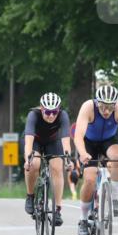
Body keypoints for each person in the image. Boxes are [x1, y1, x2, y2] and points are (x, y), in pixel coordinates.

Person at [73, 84, 118, 235]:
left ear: (115, 104)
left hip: (109, 140)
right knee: (90, 179)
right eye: (102, 107)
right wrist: (83, 153)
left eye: (110, 107)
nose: (106, 111)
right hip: (89, 143)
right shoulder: (88, 107)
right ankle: (84, 219)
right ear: (97, 102)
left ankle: (114, 197)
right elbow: (78, 135)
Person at [24, 92, 72, 227]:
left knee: (57, 168)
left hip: (53, 141)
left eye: (54, 112)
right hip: (35, 141)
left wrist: (68, 160)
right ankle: (30, 195)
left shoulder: (63, 116)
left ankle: (57, 210)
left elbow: (65, 141)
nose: (51, 115)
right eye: (48, 112)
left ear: (59, 110)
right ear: (41, 108)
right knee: (34, 163)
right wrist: (28, 159)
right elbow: (28, 141)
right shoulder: (33, 115)